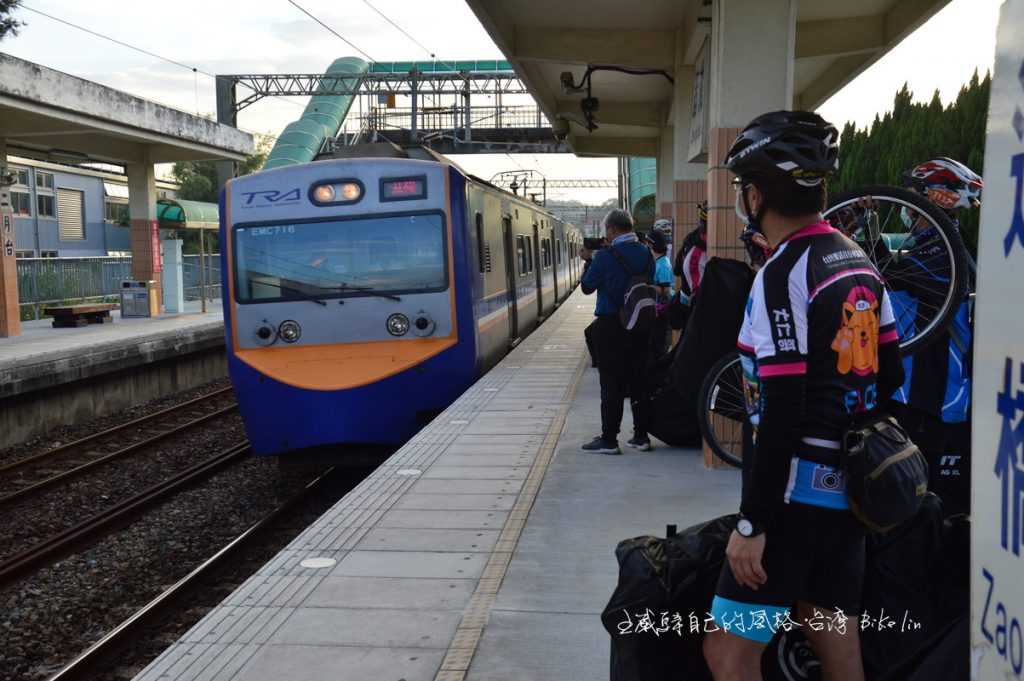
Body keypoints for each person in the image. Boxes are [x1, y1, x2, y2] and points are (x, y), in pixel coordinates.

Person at [702, 111, 905, 681]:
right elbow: (889, 375)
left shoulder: (782, 273)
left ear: (758, 192)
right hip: (850, 493)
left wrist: (752, 524)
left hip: (793, 498)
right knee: (835, 636)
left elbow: (783, 408)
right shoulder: (855, 257)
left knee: (728, 650)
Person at [883, 158, 981, 516]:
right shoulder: (933, 243)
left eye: (913, 196)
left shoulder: (942, 249)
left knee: (935, 511)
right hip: (918, 394)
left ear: (935, 198)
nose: (906, 204)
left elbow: (888, 275)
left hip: (936, 398)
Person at [579, 209, 655, 454]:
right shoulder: (645, 253)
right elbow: (648, 282)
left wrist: (590, 261)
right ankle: (641, 436)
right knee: (640, 380)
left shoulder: (603, 256)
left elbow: (587, 287)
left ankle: (609, 439)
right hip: (640, 323)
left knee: (611, 382)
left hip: (611, 324)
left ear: (611, 229)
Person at [648, 229, 674, 359]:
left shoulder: (663, 264)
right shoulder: (658, 262)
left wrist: (647, 286)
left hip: (662, 314)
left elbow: (666, 290)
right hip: (657, 313)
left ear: (652, 245)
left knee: (659, 349)